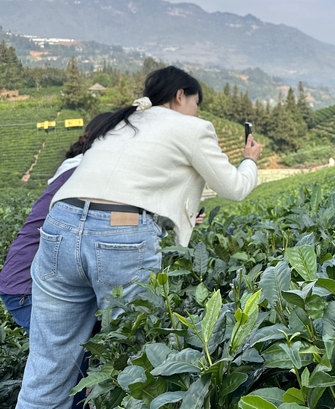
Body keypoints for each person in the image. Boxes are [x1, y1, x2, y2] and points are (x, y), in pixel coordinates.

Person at [16, 66, 263, 409]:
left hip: (59, 225)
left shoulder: (120, 121)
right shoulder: (190, 127)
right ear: (181, 96)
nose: (197, 111)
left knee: (47, 369)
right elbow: (234, 189)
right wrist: (250, 160)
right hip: (121, 233)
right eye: (196, 103)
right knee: (132, 363)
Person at [0, 114, 110, 332]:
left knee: (86, 356)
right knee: (73, 362)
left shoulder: (79, 167)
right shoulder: (84, 172)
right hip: (30, 287)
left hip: (35, 283)